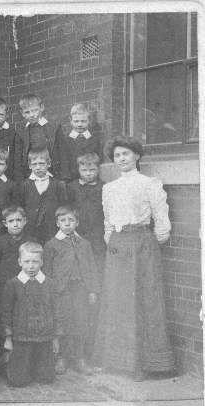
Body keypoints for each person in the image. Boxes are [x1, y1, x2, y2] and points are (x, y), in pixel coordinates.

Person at [94, 136, 175, 381]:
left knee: (143, 299)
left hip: (142, 245)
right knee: (118, 300)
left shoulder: (149, 184)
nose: (121, 159)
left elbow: (162, 222)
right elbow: (108, 222)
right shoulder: (109, 188)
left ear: (137, 156)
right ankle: (118, 361)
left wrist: (146, 243)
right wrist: (114, 241)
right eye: (117, 155)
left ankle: (147, 363)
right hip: (118, 247)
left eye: (126, 154)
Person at [43, 206, 100, 375]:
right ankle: (62, 357)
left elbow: (91, 268)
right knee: (63, 323)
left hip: (80, 290)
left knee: (81, 322)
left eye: (71, 220)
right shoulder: (52, 244)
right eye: (63, 221)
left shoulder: (84, 244)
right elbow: (47, 270)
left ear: (77, 223)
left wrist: (92, 290)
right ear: (57, 223)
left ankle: (79, 358)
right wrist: (50, 291)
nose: (67, 224)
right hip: (61, 291)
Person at [0, 242, 62, 387]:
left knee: (46, 378)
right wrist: (8, 337)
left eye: (35, 261)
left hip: (44, 336)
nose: (31, 266)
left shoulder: (50, 284)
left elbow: (57, 310)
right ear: (20, 262)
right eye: (27, 261)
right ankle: (11, 366)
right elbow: (5, 312)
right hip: (22, 337)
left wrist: (56, 337)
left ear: (41, 262)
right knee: (18, 381)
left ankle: (37, 368)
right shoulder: (13, 284)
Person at [20, 149, 68, 244]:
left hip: (52, 228)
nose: (38, 167)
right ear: (30, 166)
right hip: (30, 229)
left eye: (42, 164)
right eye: (34, 164)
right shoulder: (24, 185)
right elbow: (21, 207)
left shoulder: (58, 184)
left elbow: (63, 207)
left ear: (49, 164)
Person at [12, 94, 64, 181]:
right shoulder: (20, 132)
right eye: (27, 112)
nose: (32, 115)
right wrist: (19, 180)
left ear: (42, 107)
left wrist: (63, 178)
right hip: (30, 176)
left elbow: (62, 154)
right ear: (22, 113)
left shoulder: (54, 128)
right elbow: (18, 159)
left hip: (52, 174)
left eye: (35, 110)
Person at [66, 152, 106, 265]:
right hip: (78, 231)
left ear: (98, 169)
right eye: (84, 170)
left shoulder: (104, 187)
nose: (88, 173)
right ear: (78, 169)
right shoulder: (72, 187)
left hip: (98, 232)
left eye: (92, 170)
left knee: (98, 260)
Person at [0, 206, 37, 286]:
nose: (15, 224)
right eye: (11, 221)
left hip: (26, 284)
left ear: (25, 221)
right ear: (5, 224)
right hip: (5, 284)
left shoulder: (32, 241)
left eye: (19, 220)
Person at [58, 103, 102, 182]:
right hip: (72, 180)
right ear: (70, 121)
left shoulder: (94, 139)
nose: (80, 124)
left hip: (91, 178)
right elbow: (64, 161)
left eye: (83, 121)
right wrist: (66, 180)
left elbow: (99, 160)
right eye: (76, 121)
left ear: (89, 121)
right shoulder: (65, 140)